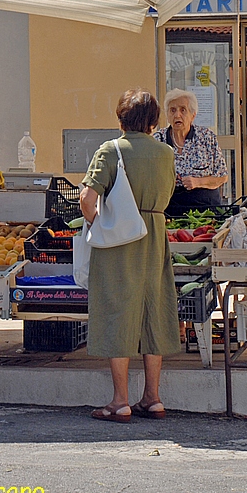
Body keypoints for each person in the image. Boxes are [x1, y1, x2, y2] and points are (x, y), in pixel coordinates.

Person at [80, 89, 179, 422]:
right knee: (154, 311)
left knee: (117, 311)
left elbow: (87, 201)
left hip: (120, 241)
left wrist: (103, 225)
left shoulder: (111, 150)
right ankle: (153, 397)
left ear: (121, 118)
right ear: (154, 120)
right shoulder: (166, 153)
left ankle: (120, 401)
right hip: (154, 234)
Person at [154, 88, 229, 217]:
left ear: (193, 115)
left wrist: (197, 182)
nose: (177, 115)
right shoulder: (158, 140)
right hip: (170, 209)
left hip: (206, 208)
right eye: (173, 110)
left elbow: (222, 177)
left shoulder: (206, 137)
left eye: (183, 110)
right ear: (167, 115)